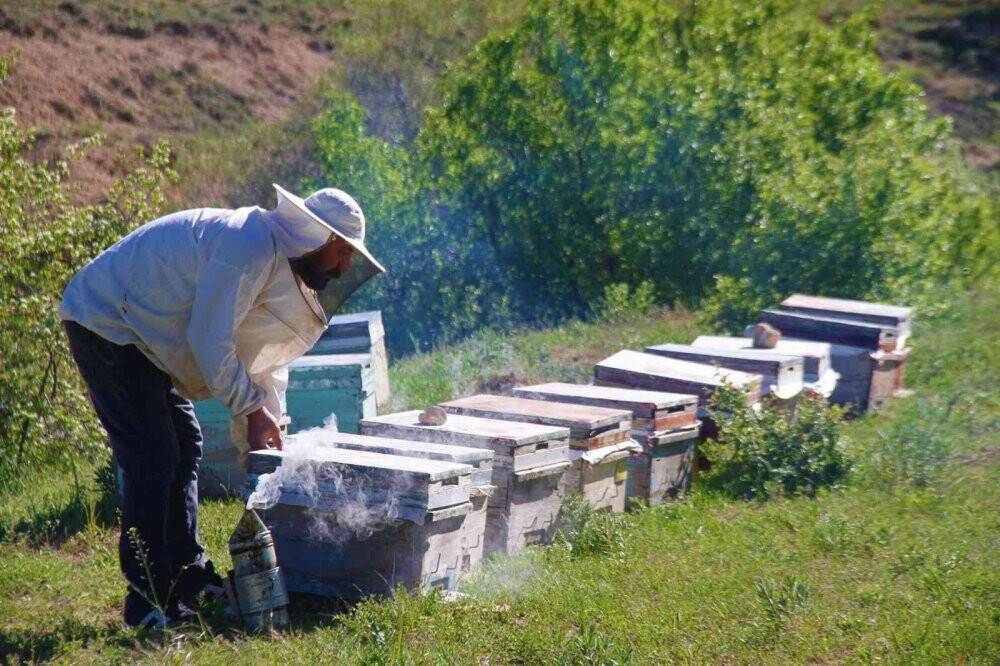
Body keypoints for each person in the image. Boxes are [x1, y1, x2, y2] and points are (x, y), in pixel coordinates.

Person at [60, 184, 384, 628]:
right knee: (154, 457)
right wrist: (251, 413)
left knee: (186, 446)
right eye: (344, 251)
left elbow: (261, 359)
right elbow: (210, 342)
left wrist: (267, 434)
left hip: (145, 338)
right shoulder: (248, 247)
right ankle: (147, 601)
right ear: (320, 237)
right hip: (107, 320)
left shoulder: (276, 260)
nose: (346, 265)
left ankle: (187, 578)